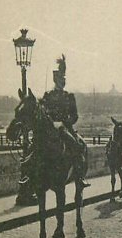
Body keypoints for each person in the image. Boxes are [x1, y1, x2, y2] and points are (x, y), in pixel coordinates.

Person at [32, 55, 91, 188]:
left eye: (63, 80)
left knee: (77, 146)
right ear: (55, 80)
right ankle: (30, 176)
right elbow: (42, 112)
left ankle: (79, 176)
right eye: (59, 79)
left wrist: (64, 123)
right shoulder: (48, 96)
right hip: (49, 129)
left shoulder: (69, 97)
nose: (61, 82)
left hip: (64, 129)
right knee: (34, 146)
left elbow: (74, 116)